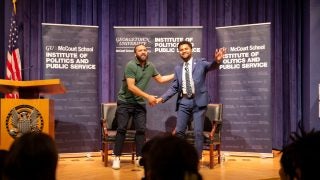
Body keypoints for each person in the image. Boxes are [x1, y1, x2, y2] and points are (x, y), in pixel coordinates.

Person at [156, 40, 226, 159]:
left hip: (199, 102)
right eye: (181, 50)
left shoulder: (200, 63)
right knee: (179, 132)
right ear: (179, 53)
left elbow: (212, 65)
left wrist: (218, 61)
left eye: (186, 49)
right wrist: (161, 99)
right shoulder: (178, 68)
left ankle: (197, 158)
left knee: (198, 133)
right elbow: (174, 87)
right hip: (184, 102)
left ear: (191, 50)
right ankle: (181, 157)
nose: (184, 51)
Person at [112, 44, 174, 170]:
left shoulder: (150, 66)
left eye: (145, 50)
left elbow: (161, 79)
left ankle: (140, 157)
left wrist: (176, 74)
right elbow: (131, 87)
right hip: (125, 102)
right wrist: (148, 97)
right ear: (135, 54)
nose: (143, 52)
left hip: (139, 103)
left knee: (141, 130)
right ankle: (117, 157)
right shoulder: (131, 65)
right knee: (122, 129)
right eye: (140, 50)